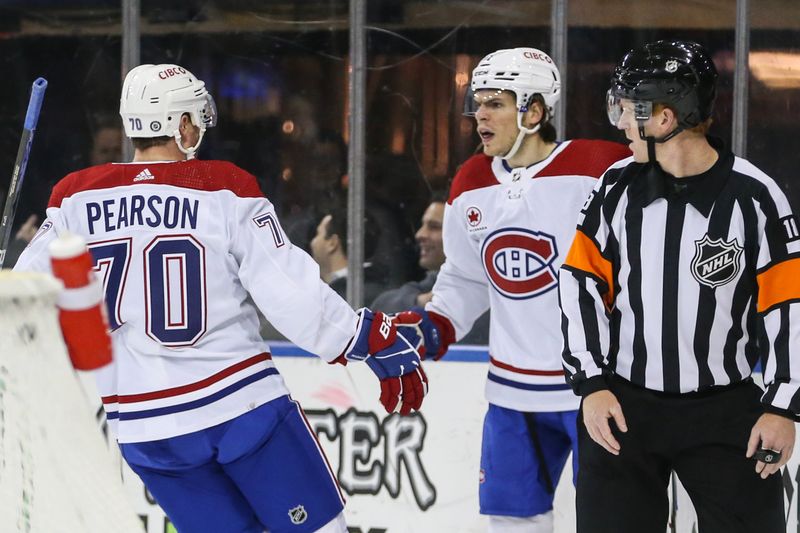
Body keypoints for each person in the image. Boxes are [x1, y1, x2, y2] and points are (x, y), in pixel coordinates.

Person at [13, 63, 428, 533]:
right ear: (181, 124)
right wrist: (363, 336)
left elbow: (27, 298)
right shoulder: (220, 185)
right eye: (195, 117)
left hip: (146, 428)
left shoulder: (74, 198)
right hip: (239, 407)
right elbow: (288, 290)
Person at [559, 40, 797, 533]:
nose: (620, 123)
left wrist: (783, 406)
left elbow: (789, 303)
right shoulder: (615, 185)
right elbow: (580, 281)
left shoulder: (755, 196)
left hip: (725, 409)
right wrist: (592, 384)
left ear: (664, 118)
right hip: (624, 404)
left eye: (626, 109)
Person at [398, 48, 630, 532]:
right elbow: (464, 279)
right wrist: (431, 328)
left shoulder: (601, 167)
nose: (480, 114)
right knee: (510, 523)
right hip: (511, 396)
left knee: (616, 519)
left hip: (598, 388)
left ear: (536, 111)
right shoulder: (470, 181)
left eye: (496, 103)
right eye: (478, 102)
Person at [372, 196, 489, 344]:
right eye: (423, 225)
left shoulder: (497, 294)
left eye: (434, 227)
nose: (420, 234)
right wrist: (423, 301)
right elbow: (383, 307)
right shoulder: (432, 284)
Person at [310, 205, 384, 305]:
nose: (312, 243)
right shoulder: (380, 287)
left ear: (332, 243)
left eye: (318, 234)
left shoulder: (336, 301)